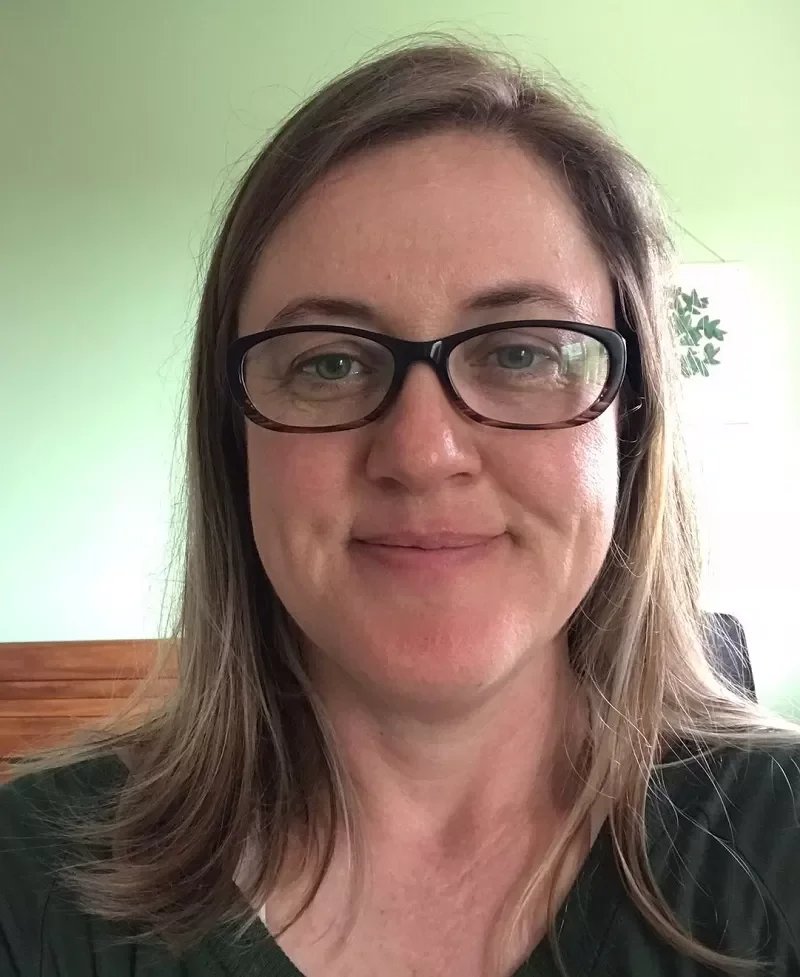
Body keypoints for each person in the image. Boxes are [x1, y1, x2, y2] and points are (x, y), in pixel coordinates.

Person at [1, 35, 799, 977]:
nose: (422, 454)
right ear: (234, 440)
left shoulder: (781, 842)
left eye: (521, 353)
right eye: (329, 363)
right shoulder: (29, 883)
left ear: (631, 420)